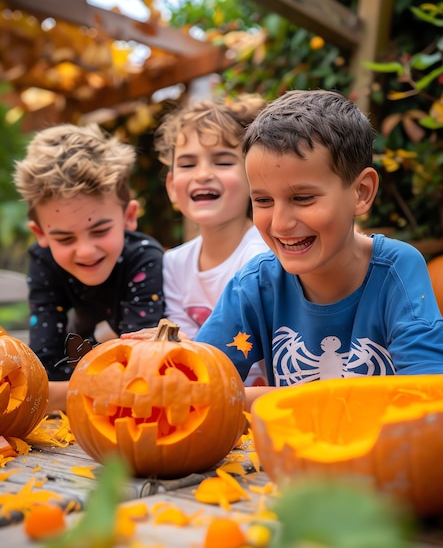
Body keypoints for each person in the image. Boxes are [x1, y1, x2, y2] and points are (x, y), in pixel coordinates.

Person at [193, 89, 443, 409]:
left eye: (302, 198)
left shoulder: (398, 268)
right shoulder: (256, 284)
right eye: (263, 201)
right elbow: (200, 389)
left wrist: (261, 398)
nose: (280, 224)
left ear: (361, 193)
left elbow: (427, 393)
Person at [14, 123, 165, 411]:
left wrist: (56, 392)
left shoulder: (144, 257)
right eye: (65, 238)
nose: (85, 250)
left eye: (99, 231)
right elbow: (44, 365)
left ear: (129, 216)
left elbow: (141, 368)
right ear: (41, 234)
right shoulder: (43, 260)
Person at [123, 95, 270, 385]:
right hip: (198, 393)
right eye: (188, 165)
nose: (203, 174)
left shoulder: (262, 257)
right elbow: (179, 340)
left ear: (255, 177)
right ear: (172, 187)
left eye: (223, 161)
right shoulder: (174, 263)